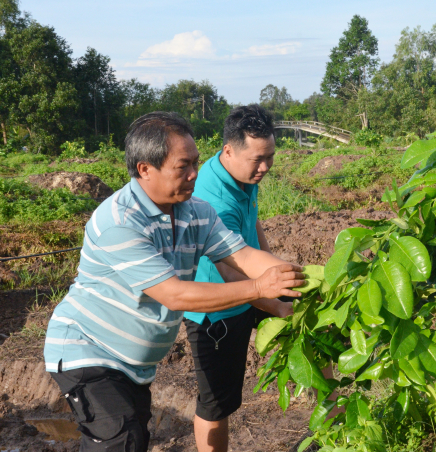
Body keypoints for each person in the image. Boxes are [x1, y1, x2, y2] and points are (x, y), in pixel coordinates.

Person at [43, 111, 305, 452]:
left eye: (196, 162)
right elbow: (174, 294)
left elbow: (244, 256)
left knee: (130, 438)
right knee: (122, 440)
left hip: (134, 363)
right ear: (145, 169)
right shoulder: (119, 222)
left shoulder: (195, 211)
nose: (195, 174)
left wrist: (304, 280)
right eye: (183, 166)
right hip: (88, 350)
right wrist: (258, 289)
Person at [183, 104, 290, 452]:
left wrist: (273, 268)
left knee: (312, 317)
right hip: (217, 307)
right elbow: (231, 275)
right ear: (229, 150)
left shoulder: (245, 174)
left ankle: (335, 424)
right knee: (217, 401)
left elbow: (254, 221)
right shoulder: (210, 197)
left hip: (251, 284)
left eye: (270, 157)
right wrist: (277, 303)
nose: (264, 167)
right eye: (257, 159)